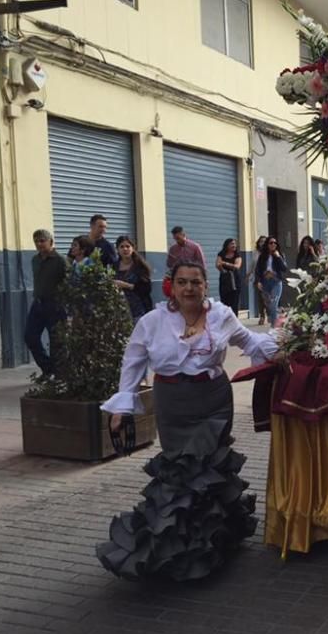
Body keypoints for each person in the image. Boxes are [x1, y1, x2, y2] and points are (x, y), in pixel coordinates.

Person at [97, 261, 278, 581]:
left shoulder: (222, 315)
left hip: (214, 401)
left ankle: (211, 545)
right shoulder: (152, 321)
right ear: (172, 286)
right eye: (182, 282)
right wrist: (121, 408)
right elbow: (133, 363)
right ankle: (181, 548)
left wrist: (287, 344)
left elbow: (250, 341)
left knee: (209, 468)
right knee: (180, 472)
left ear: (205, 285)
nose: (189, 288)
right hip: (173, 405)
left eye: (195, 282)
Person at [25, 229, 67, 375]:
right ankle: (48, 368)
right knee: (30, 337)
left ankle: (58, 375)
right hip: (38, 304)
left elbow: (68, 283)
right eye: (36, 241)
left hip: (55, 305)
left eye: (42, 241)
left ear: (51, 242)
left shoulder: (60, 261)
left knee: (56, 342)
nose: (39, 244)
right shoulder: (35, 260)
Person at [114, 235, 153, 323]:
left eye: (128, 246)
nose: (125, 249)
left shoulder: (140, 266)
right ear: (117, 249)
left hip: (138, 310)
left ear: (133, 248)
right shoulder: (113, 266)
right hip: (119, 310)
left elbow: (146, 289)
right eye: (122, 247)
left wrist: (126, 285)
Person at [254, 236, 287, 327]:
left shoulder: (280, 254)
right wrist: (258, 281)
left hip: (276, 282)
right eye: (271, 243)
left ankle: (274, 328)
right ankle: (277, 324)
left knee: (273, 304)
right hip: (265, 282)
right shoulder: (263, 256)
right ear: (267, 245)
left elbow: (284, 268)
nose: (273, 244)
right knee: (269, 306)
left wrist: (278, 257)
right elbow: (258, 270)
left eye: (275, 243)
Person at [216, 238, 243, 316]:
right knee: (224, 301)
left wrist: (225, 263)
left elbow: (237, 266)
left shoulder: (237, 255)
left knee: (234, 301)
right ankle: (225, 320)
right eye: (232, 244)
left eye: (234, 244)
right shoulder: (221, 254)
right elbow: (217, 264)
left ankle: (234, 319)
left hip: (235, 280)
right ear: (227, 245)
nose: (234, 245)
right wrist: (222, 269)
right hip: (225, 280)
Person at [249, 236, 268, 326]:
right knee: (260, 298)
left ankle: (270, 313)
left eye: (264, 241)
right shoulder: (255, 252)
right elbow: (252, 264)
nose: (262, 243)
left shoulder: (269, 252)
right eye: (261, 241)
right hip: (258, 277)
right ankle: (262, 316)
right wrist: (248, 274)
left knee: (268, 297)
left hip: (268, 277)